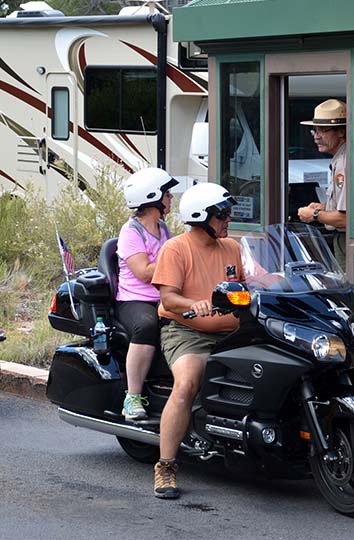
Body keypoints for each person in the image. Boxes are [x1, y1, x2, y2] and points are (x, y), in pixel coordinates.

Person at [150, 182, 244, 499]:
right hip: (186, 332)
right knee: (188, 382)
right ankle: (165, 466)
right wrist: (195, 304)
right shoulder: (176, 249)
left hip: (232, 331)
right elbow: (169, 298)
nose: (228, 220)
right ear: (201, 217)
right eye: (223, 215)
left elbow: (248, 282)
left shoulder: (231, 247)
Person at [116, 167, 178, 422]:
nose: (171, 198)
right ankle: (132, 396)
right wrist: (174, 262)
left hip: (163, 294)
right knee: (146, 324)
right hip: (134, 299)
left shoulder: (163, 228)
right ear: (153, 197)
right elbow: (143, 272)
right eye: (167, 194)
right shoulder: (131, 232)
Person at [296, 98, 347, 269]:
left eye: (322, 131)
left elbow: (345, 219)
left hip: (347, 240)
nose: (317, 137)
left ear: (341, 131)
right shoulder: (342, 156)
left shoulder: (344, 161)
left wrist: (314, 215)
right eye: (314, 131)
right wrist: (325, 208)